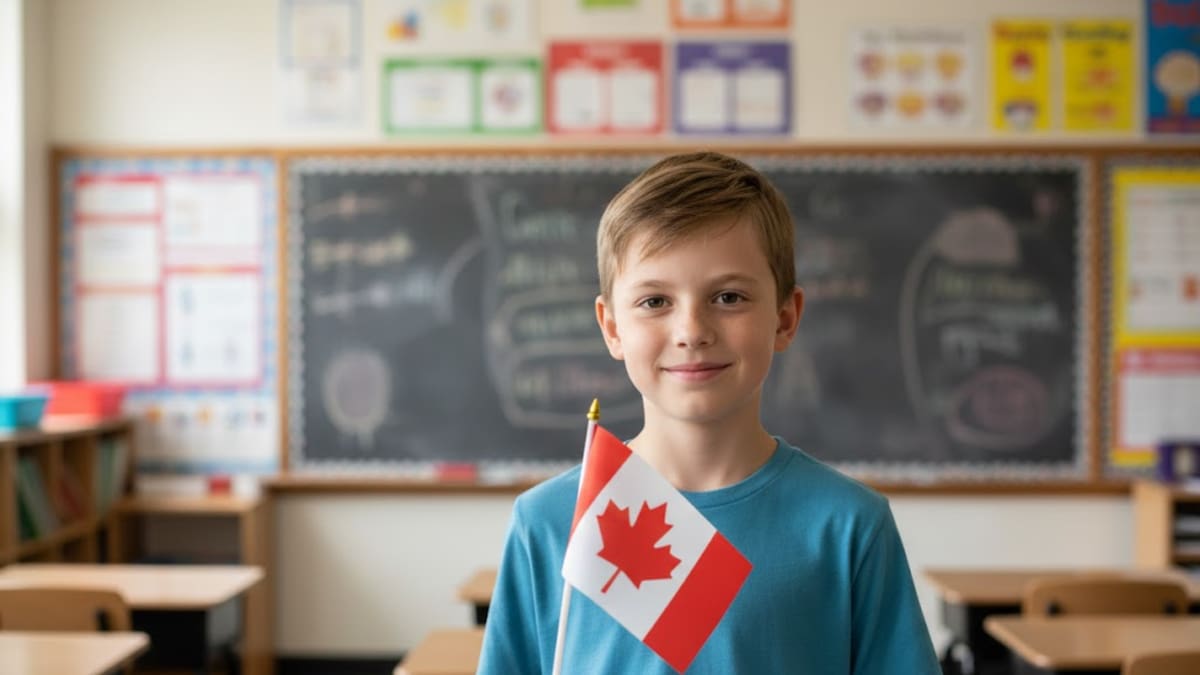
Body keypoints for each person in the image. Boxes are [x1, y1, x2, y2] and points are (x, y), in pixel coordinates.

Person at [478, 151, 940, 674]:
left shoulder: (848, 527)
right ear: (611, 328)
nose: (692, 330)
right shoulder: (550, 523)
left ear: (786, 318)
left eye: (728, 296)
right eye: (655, 302)